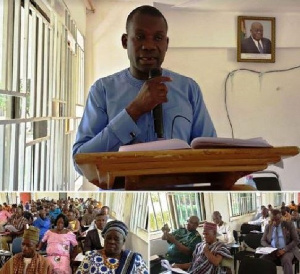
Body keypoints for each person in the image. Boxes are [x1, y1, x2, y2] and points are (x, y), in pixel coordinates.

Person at [72, 5, 216, 175]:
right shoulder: (102, 90)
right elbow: (80, 161)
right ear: (125, 41)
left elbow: (211, 153)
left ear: (166, 43)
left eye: (158, 38)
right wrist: (134, 110)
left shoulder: (189, 89)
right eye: (140, 37)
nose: (149, 46)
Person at [75, 220, 148, 273]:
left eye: (116, 239)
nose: (112, 241)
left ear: (123, 241)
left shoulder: (134, 259)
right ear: (104, 239)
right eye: (109, 238)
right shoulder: (91, 256)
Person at [261, 209, 300, 274]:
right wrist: (270, 248)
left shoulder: (289, 225)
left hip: (287, 250)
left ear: (281, 218)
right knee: (262, 260)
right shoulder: (268, 227)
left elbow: (296, 240)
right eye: (273, 220)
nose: (275, 222)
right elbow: (263, 240)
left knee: (286, 260)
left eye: (277, 220)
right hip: (273, 250)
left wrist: (284, 249)